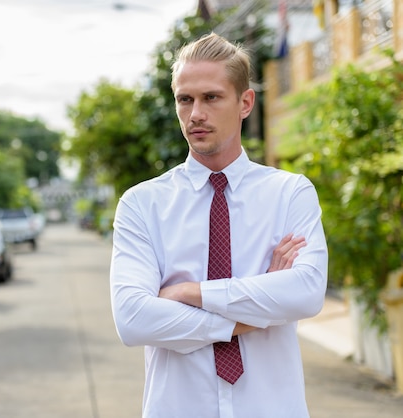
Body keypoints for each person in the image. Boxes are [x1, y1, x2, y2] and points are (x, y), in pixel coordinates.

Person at [109, 32, 328, 418]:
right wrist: (254, 313)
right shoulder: (142, 204)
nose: (195, 114)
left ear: (245, 102)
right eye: (184, 99)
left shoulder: (289, 192)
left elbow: (306, 293)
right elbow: (133, 319)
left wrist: (186, 292)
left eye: (211, 97)